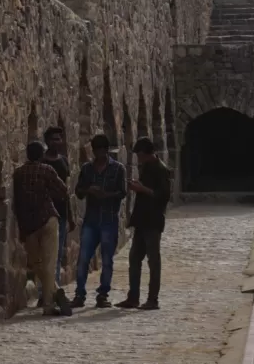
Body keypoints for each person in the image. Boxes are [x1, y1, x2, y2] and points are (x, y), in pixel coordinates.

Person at [12, 140, 71, 317]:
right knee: (49, 263)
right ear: (42, 155)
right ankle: (50, 302)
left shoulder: (19, 173)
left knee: (37, 264)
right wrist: (46, 195)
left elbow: (17, 201)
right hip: (47, 219)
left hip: (29, 224)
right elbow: (63, 191)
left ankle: (53, 293)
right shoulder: (47, 170)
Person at [73, 133, 126, 308]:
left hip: (109, 219)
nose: (98, 154)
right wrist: (90, 190)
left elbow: (122, 193)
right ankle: (79, 294)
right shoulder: (87, 169)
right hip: (92, 219)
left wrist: (106, 195)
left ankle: (103, 294)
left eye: (101, 150)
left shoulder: (118, 169)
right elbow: (79, 191)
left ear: (106, 150)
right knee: (83, 258)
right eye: (96, 151)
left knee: (107, 259)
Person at [118, 136, 171, 310]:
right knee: (134, 259)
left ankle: (152, 299)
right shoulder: (147, 167)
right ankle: (133, 297)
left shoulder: (161, 170)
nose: (138, 159)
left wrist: (142, 189)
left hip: (153, 221)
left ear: (146, 153)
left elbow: (163, 196)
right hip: (142, 220)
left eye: (140, 155)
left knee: (153, 261)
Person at [42, 125, 73, 294]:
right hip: (44, 213)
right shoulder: (42, 162)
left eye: (59, 139)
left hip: (60, 212)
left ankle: (52, 291)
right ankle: (47, 291)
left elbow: (65, 191)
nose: (57, 142)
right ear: (47, 141)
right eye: (54, 139)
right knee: (44, 255)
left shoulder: (63, 162)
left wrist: (70, 216)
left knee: (57, 254)